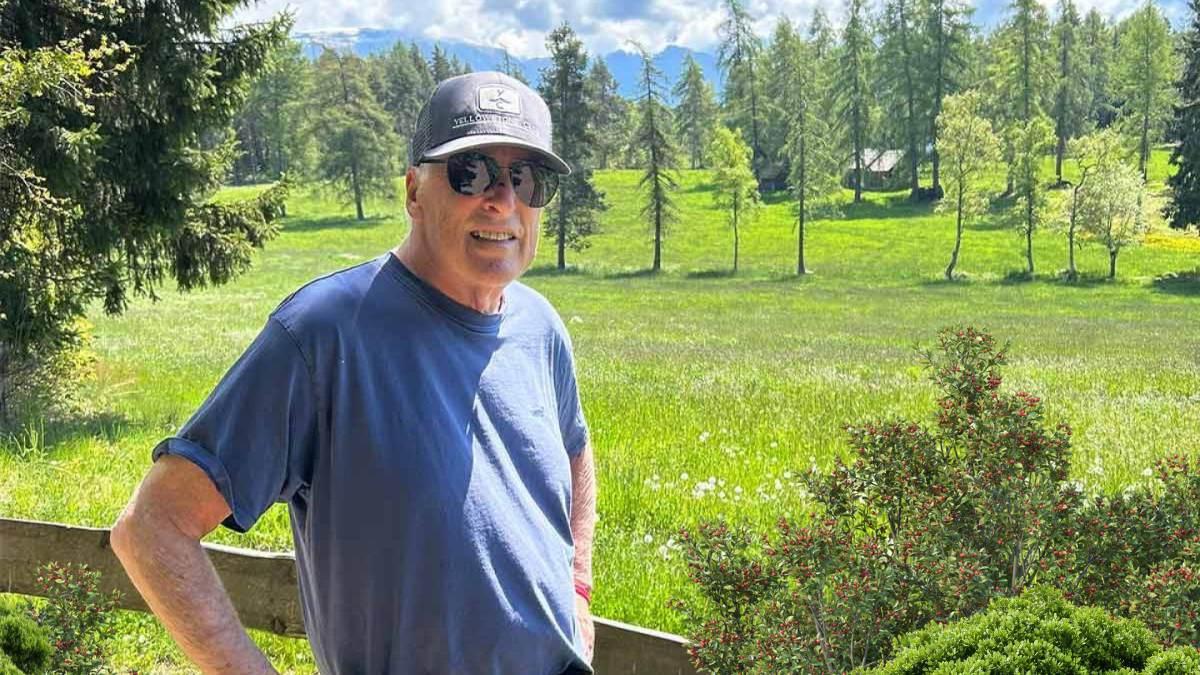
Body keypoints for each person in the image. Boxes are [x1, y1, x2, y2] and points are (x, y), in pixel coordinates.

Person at [110, 71, 597, 675]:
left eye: (525, 178)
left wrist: (578, 591)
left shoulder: (540, 326)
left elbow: (575, 451)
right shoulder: (324, 331)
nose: (502, 200)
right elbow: (152, 527)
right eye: (471, 172)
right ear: (415, 192)